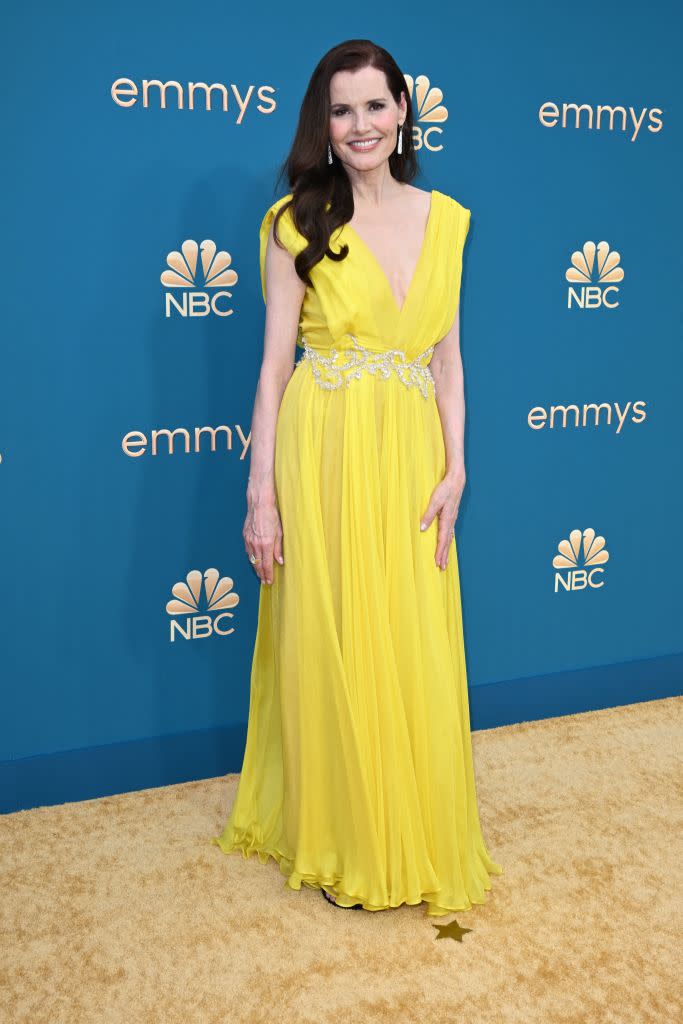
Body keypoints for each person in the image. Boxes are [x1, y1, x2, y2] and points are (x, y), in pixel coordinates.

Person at [211, 38, 503, 917]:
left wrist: (457, 469)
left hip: (410, 451)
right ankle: (344, 838)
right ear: (322, 124)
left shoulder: (447, 219)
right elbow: (270, 370)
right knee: (333, 637)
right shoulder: (293, 221)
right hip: (325, 446)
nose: (360, 125)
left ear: (403, 111)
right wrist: (260, 494)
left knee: (407, 634)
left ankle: (404, 823)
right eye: (341, 111)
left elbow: (448, 358)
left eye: (375, 105)